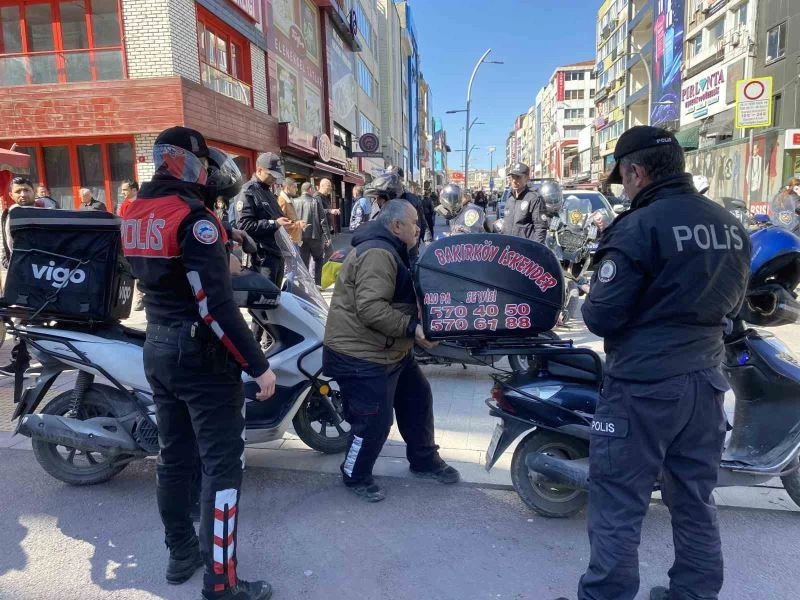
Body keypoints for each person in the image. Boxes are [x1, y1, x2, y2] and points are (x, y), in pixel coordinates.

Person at [553, 126, 750, 600]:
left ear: (635, 171)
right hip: (706, 383)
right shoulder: (729, 225)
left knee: (618, 500)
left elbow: (600, 316)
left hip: (643, 387)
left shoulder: (638, 227)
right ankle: (695, 594)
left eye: (622, 179)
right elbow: (735, 305)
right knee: (694, 499)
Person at [122, 126, 276, 600]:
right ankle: (221, 581)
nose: (210, 171)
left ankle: (180, 552)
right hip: (201, 358)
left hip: (159, 348)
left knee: (174, 459)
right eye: (205, 162)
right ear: (189, 163)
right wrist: (257, 364)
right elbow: (216, 308)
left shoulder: (133, 211)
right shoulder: (196, 220)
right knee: (222, 467)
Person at [322, 199, 460, 502]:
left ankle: (423, 460)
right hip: (361, 354)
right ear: (396, 226)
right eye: (413, 223)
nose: (418, 227)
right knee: (374, 420)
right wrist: (412, 329)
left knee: (417, 398)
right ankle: (354, 473)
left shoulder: (393, 250)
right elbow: (371, 309)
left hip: (389, 349)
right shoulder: (378, 253)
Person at [500, 163, 548, 243]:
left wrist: (535, 248)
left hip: (524, 249)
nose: (514, 181)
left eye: (518, 177)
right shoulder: (510, 199)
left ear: (526, 178)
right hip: (508, 247)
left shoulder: (534, 198)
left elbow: (540, 228)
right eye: (512, 177)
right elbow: (506, 224)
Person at [294, 182, 330, 286]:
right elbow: (323, 220)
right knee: (318, 259)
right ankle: (317, 283)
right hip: (315, 236)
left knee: (303, 261)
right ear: (310, 189)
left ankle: (303, 284)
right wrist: (327, 236)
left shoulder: (294, 201)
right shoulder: (316, 201)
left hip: (300, 236)